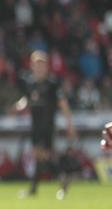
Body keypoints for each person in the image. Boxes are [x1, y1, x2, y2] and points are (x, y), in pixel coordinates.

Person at [15, 51, 76, 199]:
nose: (39, 67)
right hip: (35, 125)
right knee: (40, 158)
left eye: (42, 64)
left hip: (48, 125)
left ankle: (65, 175)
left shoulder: (53, 84)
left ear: (47, 66)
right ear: (32, 65)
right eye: (37, 64)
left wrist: (70, 124)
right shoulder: (30, 83)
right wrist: (18, 106)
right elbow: (27, 100)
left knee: (44, 156)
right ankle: (63, 177)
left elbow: (63, 104)